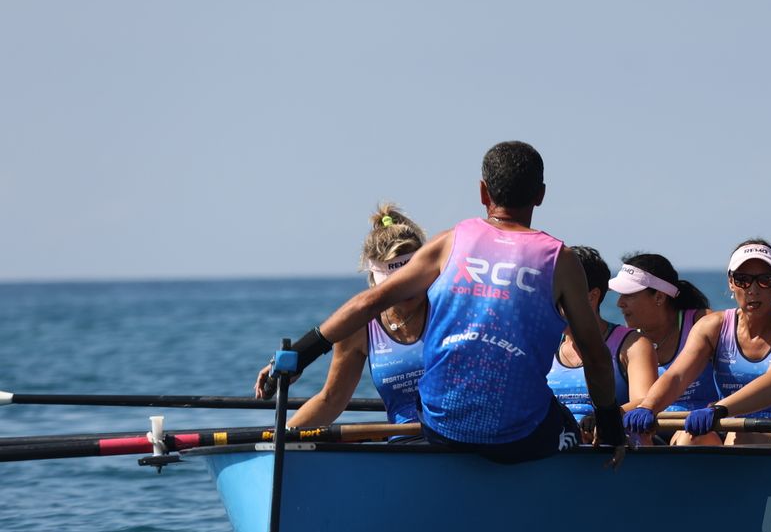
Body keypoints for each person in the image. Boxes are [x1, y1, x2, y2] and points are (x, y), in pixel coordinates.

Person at [261, 141, 622, 461]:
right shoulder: (560, 259)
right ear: (541, 195)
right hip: (518, 438)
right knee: (573, 429)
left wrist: (298, 357)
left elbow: (367, 303)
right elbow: (594, 355)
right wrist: (610, 426)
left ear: (483, 192)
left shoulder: (451, 241)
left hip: (440, 427)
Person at [623, 239, 771, 445]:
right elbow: (678, 376)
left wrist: (719, 409)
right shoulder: (712, 326)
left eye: (765, 280)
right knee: (688, 437)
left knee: (742, 437)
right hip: (730, 426)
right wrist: (648, 406)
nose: (753, 289)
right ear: (731, 282)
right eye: (743, 279)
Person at [253, 203, 429, 428]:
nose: (406, 290)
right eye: (394, 284)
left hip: (457, 442)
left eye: (410, 280)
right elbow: (330, 400)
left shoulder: (448, 307)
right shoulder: (360, 327)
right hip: (406, 446)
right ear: (375, 281)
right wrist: (276, 440)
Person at [547, 246, 658, 429]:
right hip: (557, 446)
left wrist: (603, 418)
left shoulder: (633, 345)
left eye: (560, 296)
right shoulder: (545, 345)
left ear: (592, 296)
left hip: (607, 443)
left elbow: (644, 401)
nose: (550, 304)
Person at [607, 252, 718, 412]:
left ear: (659, 297)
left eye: (629, 295)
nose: (619, 303)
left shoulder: (703, 323)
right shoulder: (628, 341)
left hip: (702, 429)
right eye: (620, 295)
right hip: (653, 431)